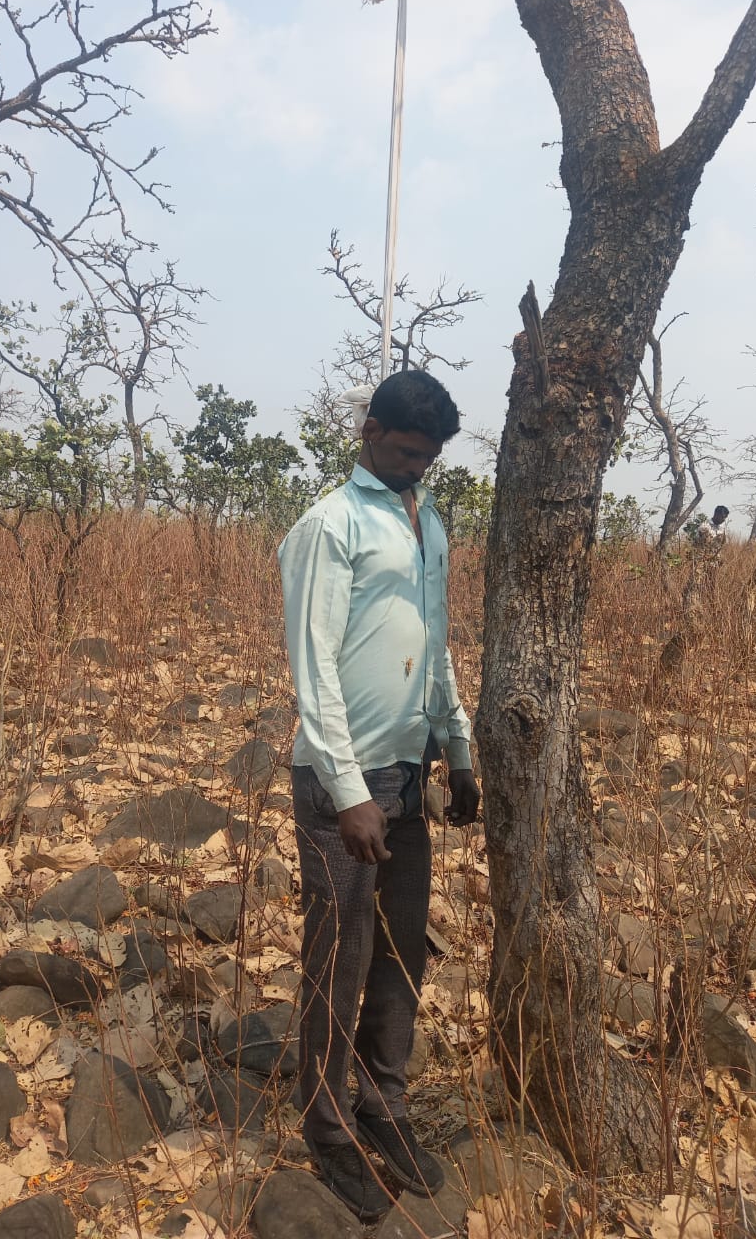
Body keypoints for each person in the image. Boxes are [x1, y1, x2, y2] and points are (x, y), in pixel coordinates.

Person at [278, 370, 481, 1221]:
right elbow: (313, 664)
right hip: (343, 783)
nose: (413, 469)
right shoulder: (329, 526)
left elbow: (434, 644)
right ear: (368, 432)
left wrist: (458, 746)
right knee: (339, 957)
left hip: (409, 770)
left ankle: (382, 1105)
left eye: (426, 459)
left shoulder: (427, 520)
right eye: (403, 453)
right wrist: (347, 789)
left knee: (401, 951)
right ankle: (327, 1128)